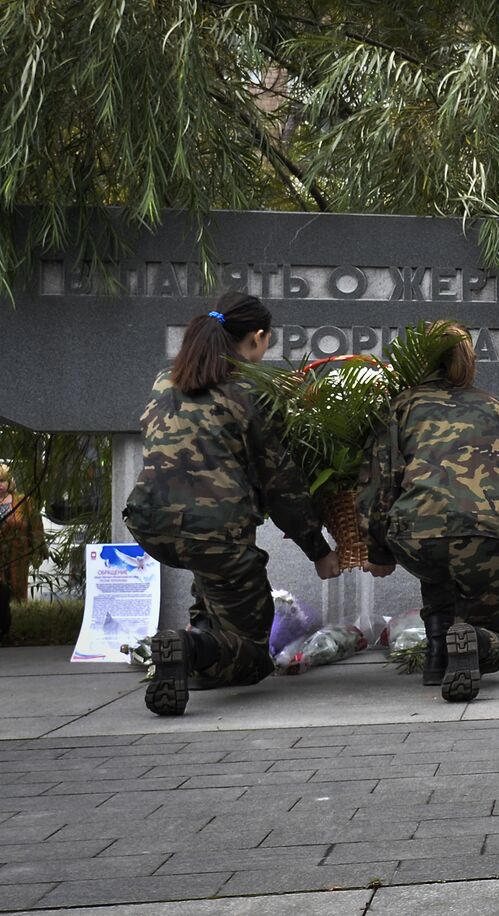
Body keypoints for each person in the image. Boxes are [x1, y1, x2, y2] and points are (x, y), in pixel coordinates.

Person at [124, 292, 341, 717]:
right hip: (214, 534)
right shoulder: (249, 393)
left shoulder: (164, 379)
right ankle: (189, 647)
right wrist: (320, 551)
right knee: (253, 657)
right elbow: (281, 486)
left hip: (150, 525)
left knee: (211, 567)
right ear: (258, 338)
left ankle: (201, 635)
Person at [359, 321, 499, 703]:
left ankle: (437, 656)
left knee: (438, 561)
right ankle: (475, 642)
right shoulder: (496, 407)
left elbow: (380, 485)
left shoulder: (400, 406)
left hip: (414, 537)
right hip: (483, 536)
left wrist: (377, 551)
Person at [0, 463, 46, 641]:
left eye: (3, 480)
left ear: (9, 482)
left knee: (16, 589)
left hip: (17, 553)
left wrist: (38, 547)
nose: (0, 485)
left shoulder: (23, 501)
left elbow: (36, 526)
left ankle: (17, 623)